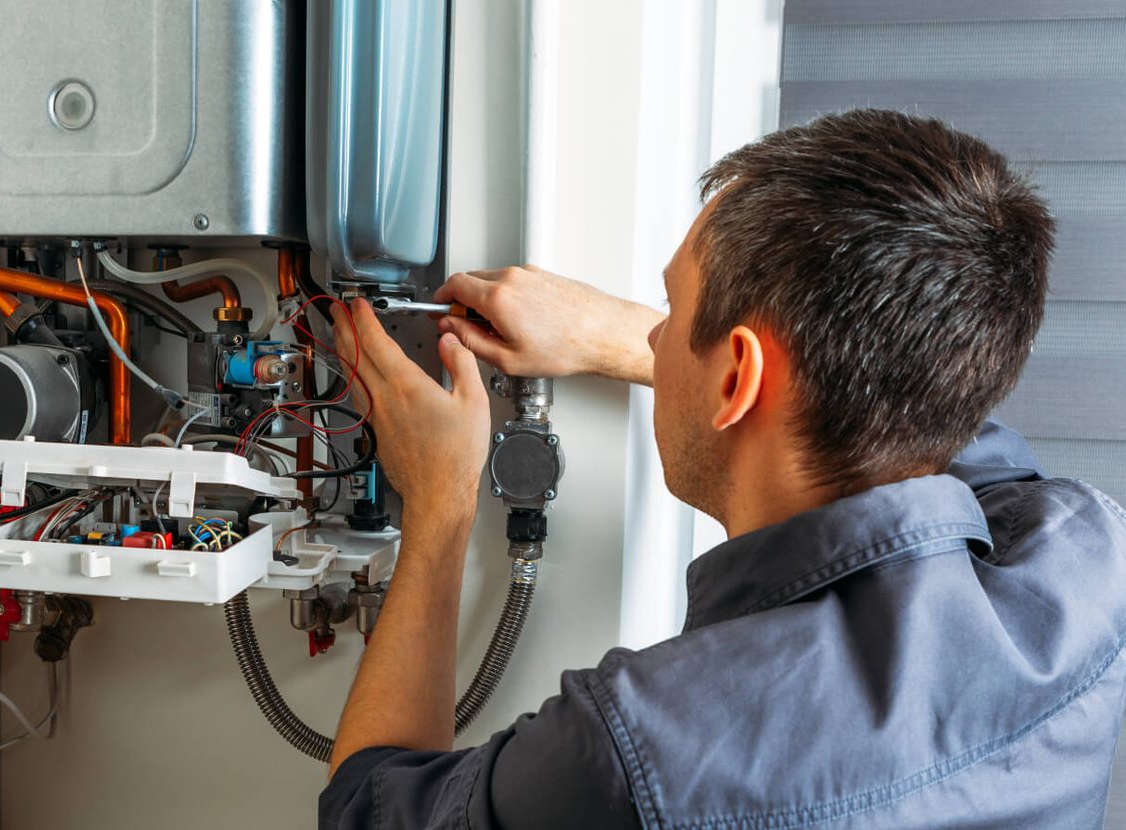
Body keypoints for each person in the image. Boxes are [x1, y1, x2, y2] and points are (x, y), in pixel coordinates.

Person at [318, 109, 1126, 828]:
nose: (655, 336)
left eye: (672, 311)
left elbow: (366, 811)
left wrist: (442, 500)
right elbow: (912, 399)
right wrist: (609, 335)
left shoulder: (643, 753)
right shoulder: (1084, 565)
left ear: (740, 377)